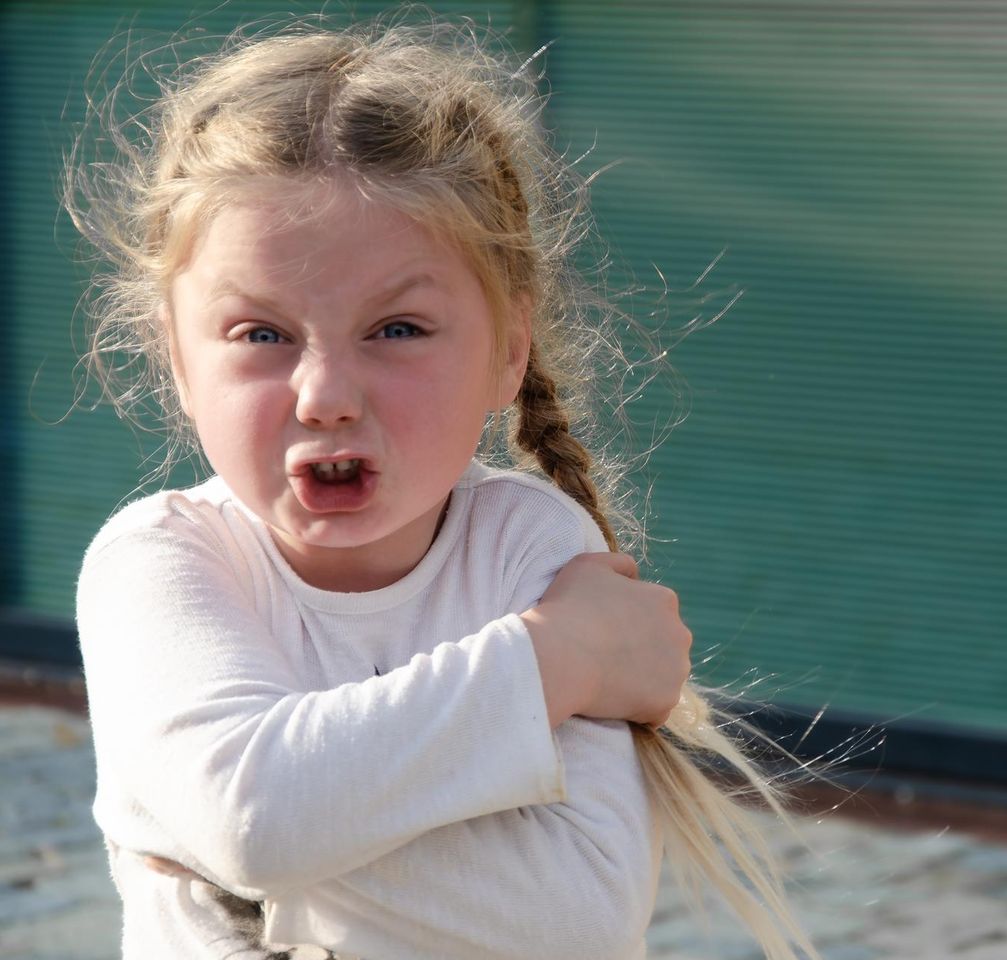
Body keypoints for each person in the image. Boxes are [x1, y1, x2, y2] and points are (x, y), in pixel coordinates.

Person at [63, 9, 823, 960]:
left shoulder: (534, 552)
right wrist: (556, 663)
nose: (327, 395)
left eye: (398, 330)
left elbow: (573, 924)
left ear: (510, 349)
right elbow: (253, 821)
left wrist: (240, 872)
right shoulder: (159, 564)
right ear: (176, 359)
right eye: (262, 335)